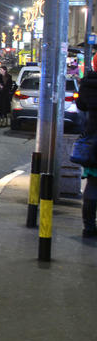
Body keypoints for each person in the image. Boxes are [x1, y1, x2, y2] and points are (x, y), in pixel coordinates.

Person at [75, 70, 97, 238]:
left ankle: (88, 227)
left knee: (92, 185)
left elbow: (81, 107)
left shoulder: (88, 84)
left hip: (92, 141)